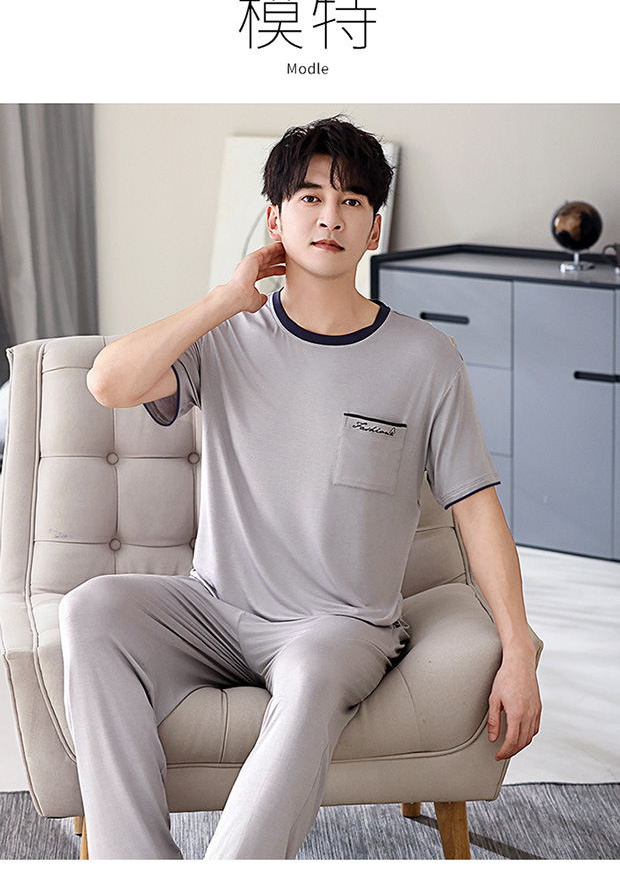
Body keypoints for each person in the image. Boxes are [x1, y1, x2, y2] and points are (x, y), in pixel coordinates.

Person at [59, 115, 541, 860]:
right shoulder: (224, 338)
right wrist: (224, 299)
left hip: (339, 628)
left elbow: (478, 514)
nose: (329, 216)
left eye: (351, 201)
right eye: (311, 197)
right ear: (275, 220)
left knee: (313, 667)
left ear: (373, 229)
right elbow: (108, 384)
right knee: (92, 609)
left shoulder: (427, 359)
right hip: (215, 608)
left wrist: (518, 651)